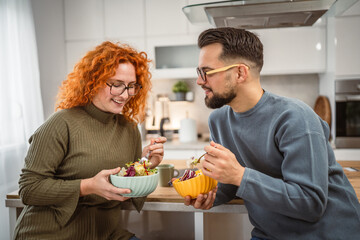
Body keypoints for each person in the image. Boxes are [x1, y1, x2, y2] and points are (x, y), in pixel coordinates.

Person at [184, 27, 360, 239]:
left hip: (326, 234)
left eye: (207, 72)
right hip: (269, 234)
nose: (200, 81)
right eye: (199, 72)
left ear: (240, 72)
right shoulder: (219, 121)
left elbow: (310, 203)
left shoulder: (296, 118)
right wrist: (211, 195)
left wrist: (240, 174)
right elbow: (231, 185)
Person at [14, 41, 166, 240]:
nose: (126, 94)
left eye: (131, 86)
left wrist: (145, 166)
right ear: (93, 82)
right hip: (52, 234)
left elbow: (127, 188)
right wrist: (87, 186)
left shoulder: (129, 129)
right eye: (117, 84)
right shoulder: (61, 123)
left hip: (105, 234)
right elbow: (29, 189)